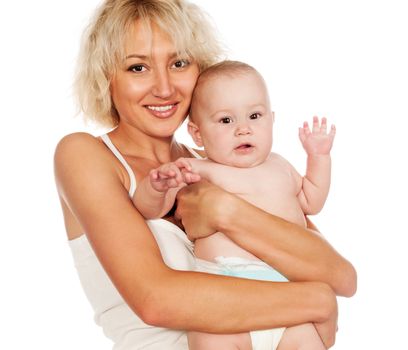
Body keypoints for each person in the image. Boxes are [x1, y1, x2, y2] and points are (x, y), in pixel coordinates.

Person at [54, 1, 356, 349]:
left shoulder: (222, 164)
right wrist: (315, 301)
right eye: (138, 68)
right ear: (105, 76)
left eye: (179, 63)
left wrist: (222, 210)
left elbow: (341, 275)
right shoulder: (86, 154)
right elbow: (156, 300)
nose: (165, 88)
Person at [133, 60, 337, 350]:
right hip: (223, 299)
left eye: (254, 116)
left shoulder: (281, 167)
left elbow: (311, 201)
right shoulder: (198, 169)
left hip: (290, 301)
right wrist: (156, 187)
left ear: (272, 119)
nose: (243, 129)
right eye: (226, 120)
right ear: (198, 134)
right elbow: (149, 210)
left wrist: (319, 158)